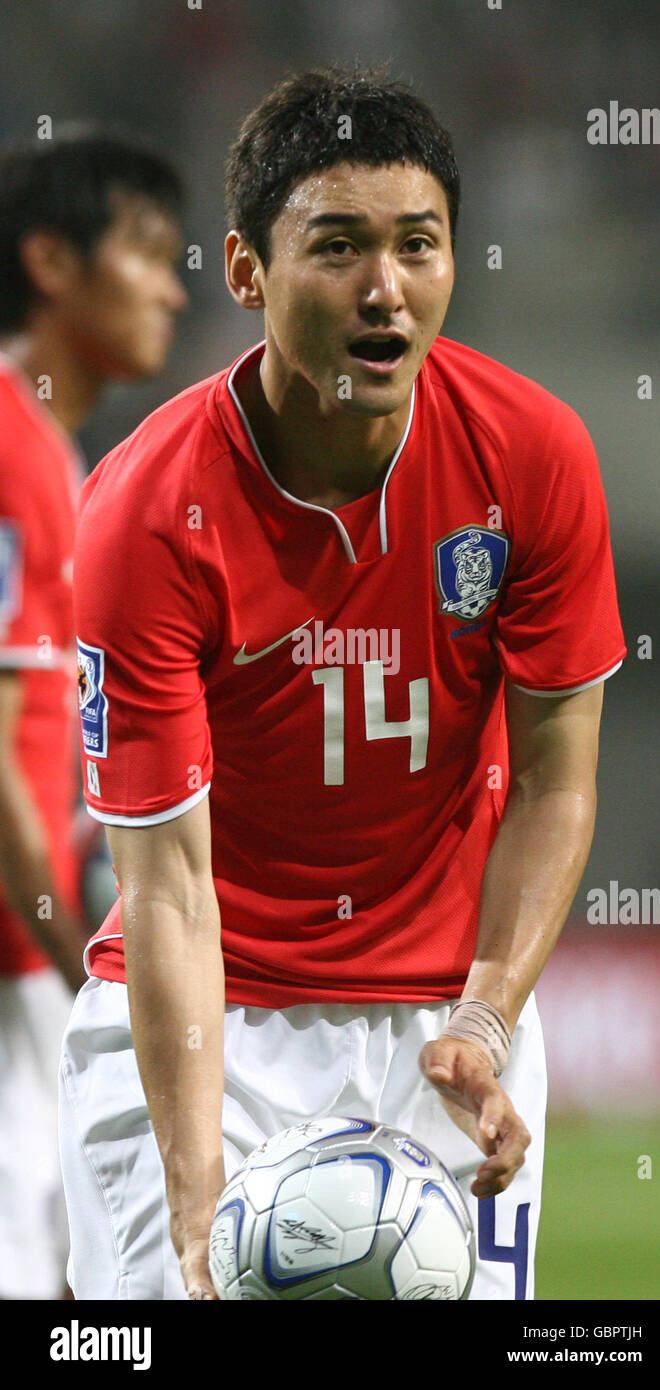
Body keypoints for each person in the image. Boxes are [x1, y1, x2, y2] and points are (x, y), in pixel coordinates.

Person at [60, 65, 626, 1302]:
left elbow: (552, 783)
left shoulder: (530, 459)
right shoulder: (146, 514)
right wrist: (196, 1174)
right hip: (212, 1012)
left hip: (442, 1029)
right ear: (245, 271)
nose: (384, 288)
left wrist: (487, 1016)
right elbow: (166, 884)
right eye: (337, 246)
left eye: (417, 244)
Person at [0, 126, 186, 1299]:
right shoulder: (11, 449)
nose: (174, 286)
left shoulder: (54, 451)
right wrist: (80, 968)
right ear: (54, 263)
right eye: (149, 251)